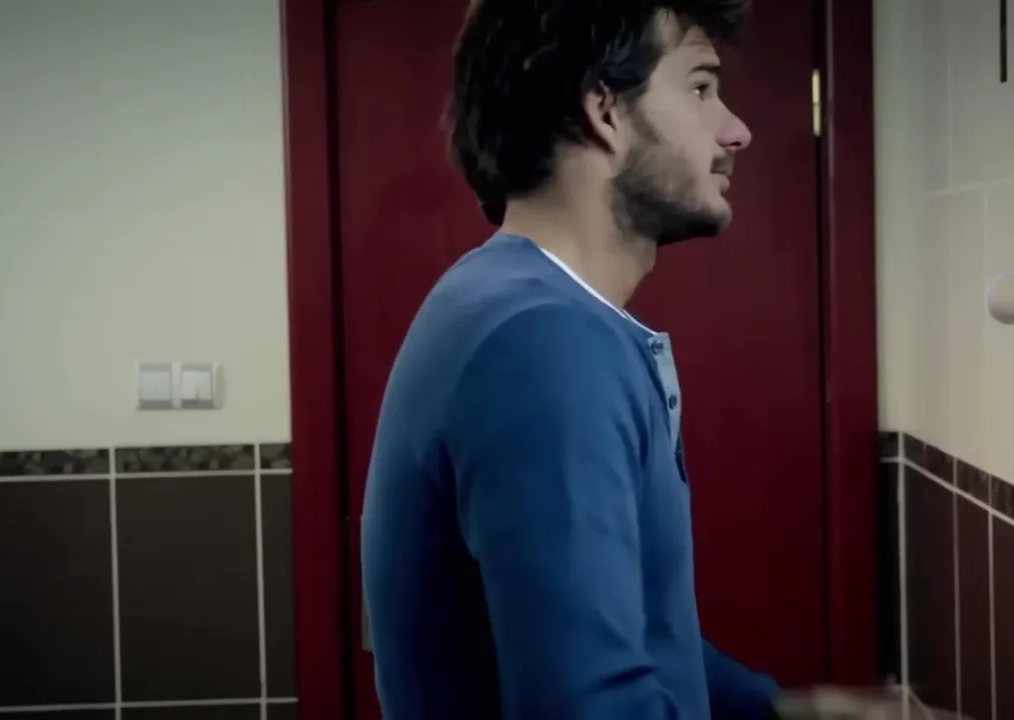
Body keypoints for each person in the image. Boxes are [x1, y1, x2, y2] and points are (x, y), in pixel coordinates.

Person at [361, 1, 909, 718]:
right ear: (605, 111)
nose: (736, 130)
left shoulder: (500, 301)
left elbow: (633, 631)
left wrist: (783, 710)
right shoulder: (547, 344)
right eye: (701, 87)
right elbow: (591, 703)